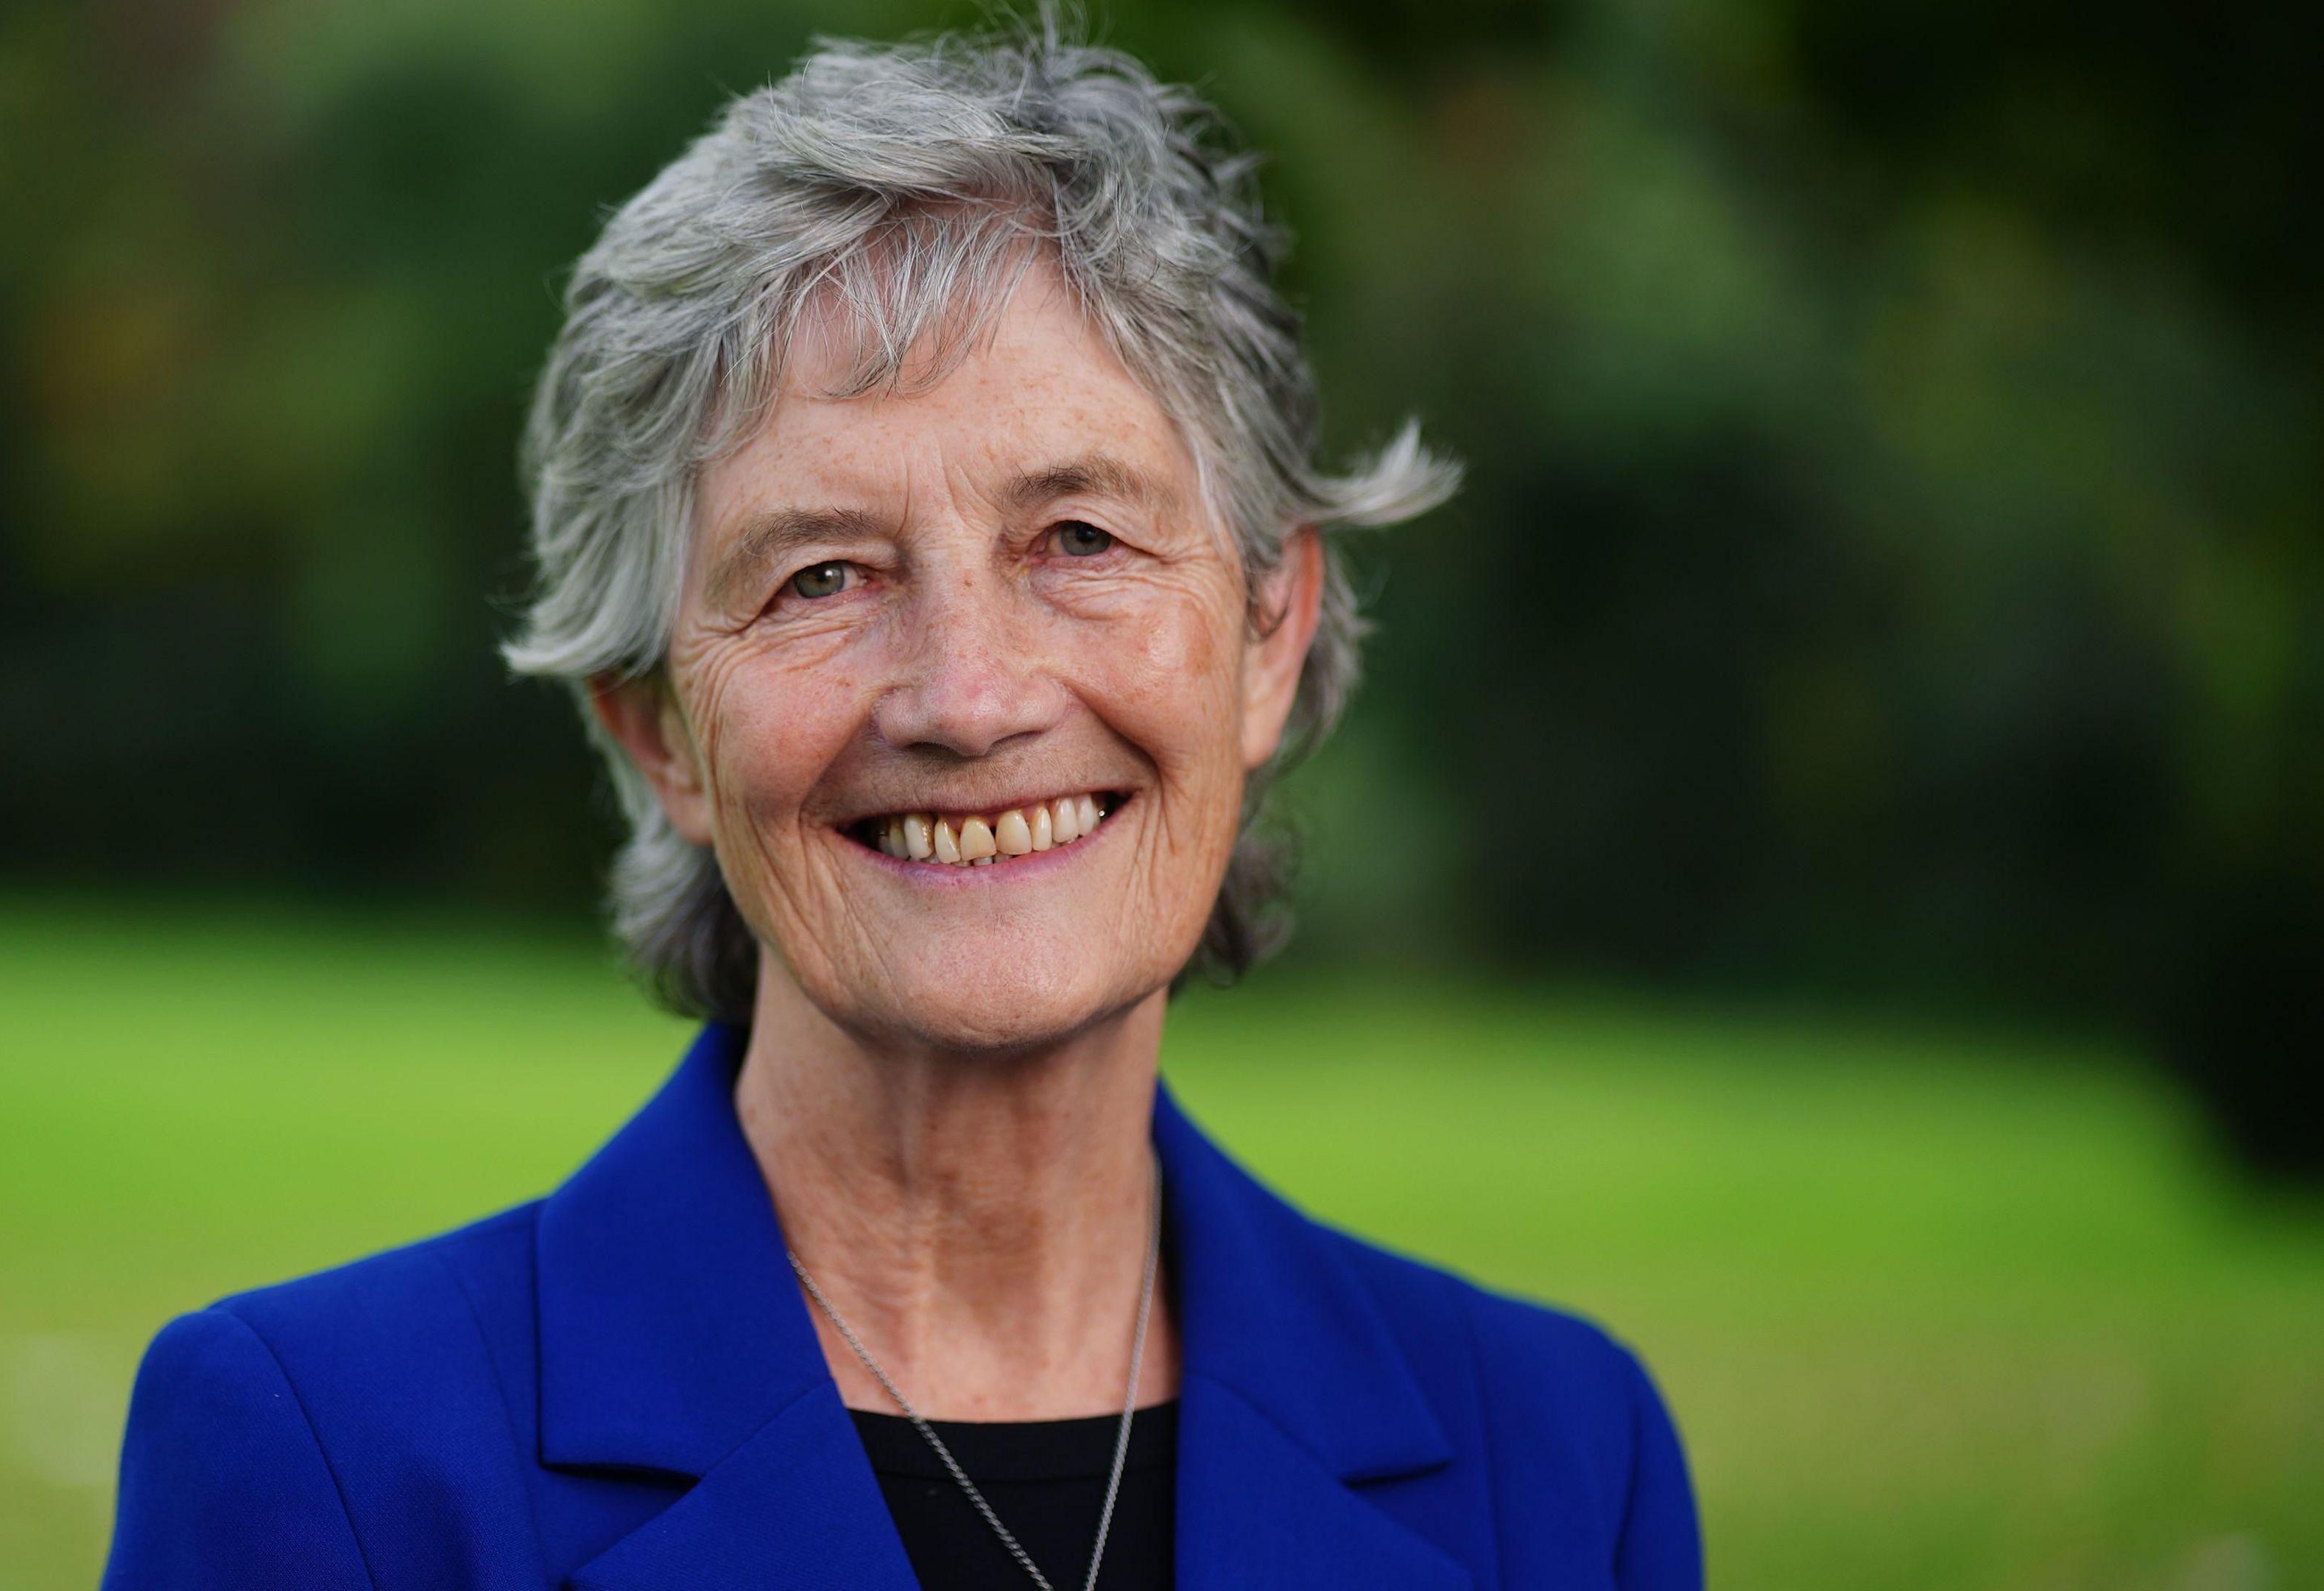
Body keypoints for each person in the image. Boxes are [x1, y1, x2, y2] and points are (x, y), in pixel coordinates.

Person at [100, 16, 1700, 1591]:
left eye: (1079, 538)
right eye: (823, 576)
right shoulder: (331, 1462)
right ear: (660, 731)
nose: (970, 697)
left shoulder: (1562, 1469)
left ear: (1271, 633)